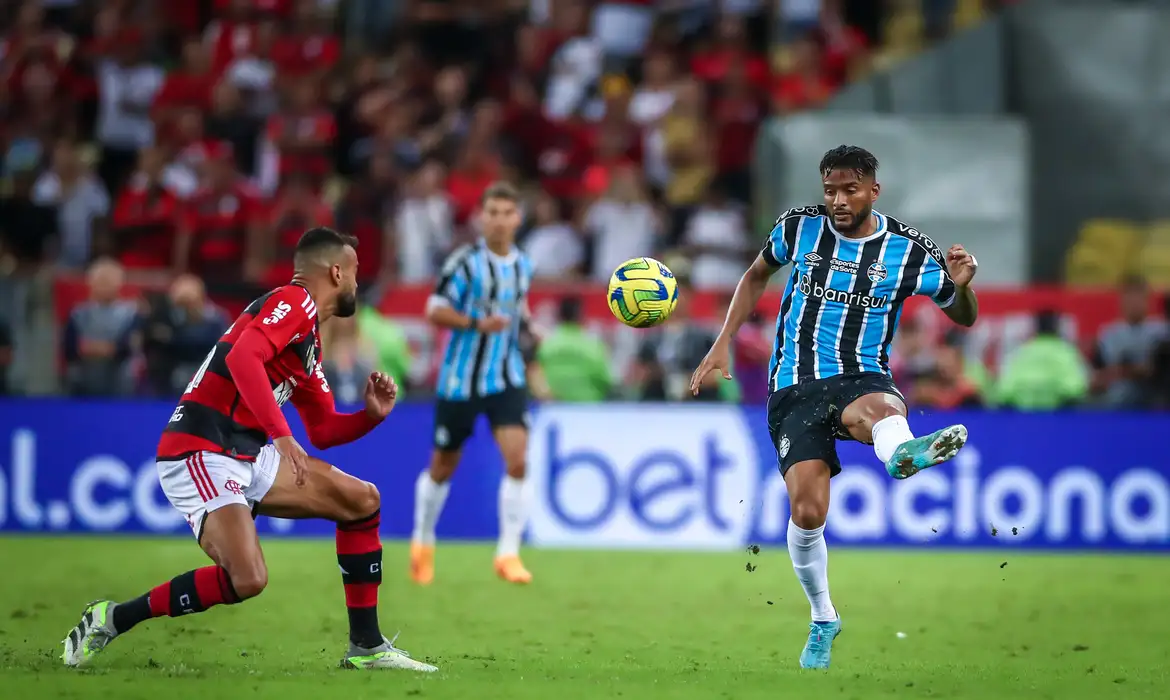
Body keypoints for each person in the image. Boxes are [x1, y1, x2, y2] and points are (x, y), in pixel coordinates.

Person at [61, 227, 437, 673]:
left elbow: (322, 428)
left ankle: (367, 648)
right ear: (337, 272)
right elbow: (243, 358)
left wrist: (370, 416)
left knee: (361, 501)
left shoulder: (309, 340)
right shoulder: (294, 302)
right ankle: (112, 617)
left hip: (248, 452)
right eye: (355, 272)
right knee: (249, 579)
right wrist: (281, 435)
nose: (357, 282)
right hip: (202, 448)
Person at [690, 145, 979, 670]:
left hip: (862, 375)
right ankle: (824, 616)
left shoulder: (909, 250)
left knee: (879, 411)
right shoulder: (799, 228)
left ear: (873, 189)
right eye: (830, 190)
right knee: (807, 511)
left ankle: (900, 454)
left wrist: (961, 287)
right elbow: (756, 273)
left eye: (849, 190)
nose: (838, 200)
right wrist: (722, 341)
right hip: (794, 385)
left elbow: (962, 315)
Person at [409, 182, 536, 586]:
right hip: (460, 380)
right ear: (482, 217)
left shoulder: (523, 265)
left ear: (518, 218)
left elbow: (518, 309)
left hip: (505, 376)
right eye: (492, 212)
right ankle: (423, 540)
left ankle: (508, 553)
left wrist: (531, 327)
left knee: (518, 460)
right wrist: (476, 323)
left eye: (506, 212)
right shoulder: (464, 263)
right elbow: (434, 310)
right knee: (443, 467)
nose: (499, 220)